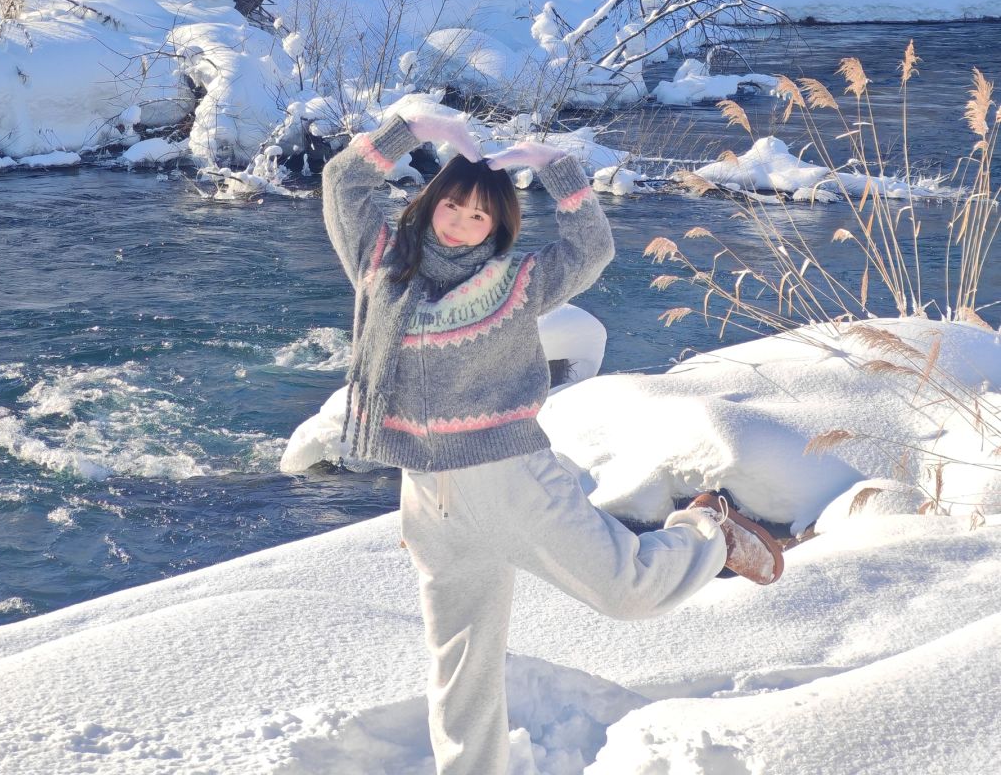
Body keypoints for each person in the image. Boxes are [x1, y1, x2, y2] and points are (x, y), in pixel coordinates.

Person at [322, 99, 784, 775]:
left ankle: (708, 530)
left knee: (627, 592)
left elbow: (591, 247)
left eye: (480, 214)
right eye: (453, 206)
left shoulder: (516, 282)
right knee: (461, 665)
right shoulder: (382, 261)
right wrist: (410, 130)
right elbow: (342, 184)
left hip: (511, 480)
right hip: (428, 497)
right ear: (430, 202)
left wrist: (561, 171)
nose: (461, 222)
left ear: (498, 225)